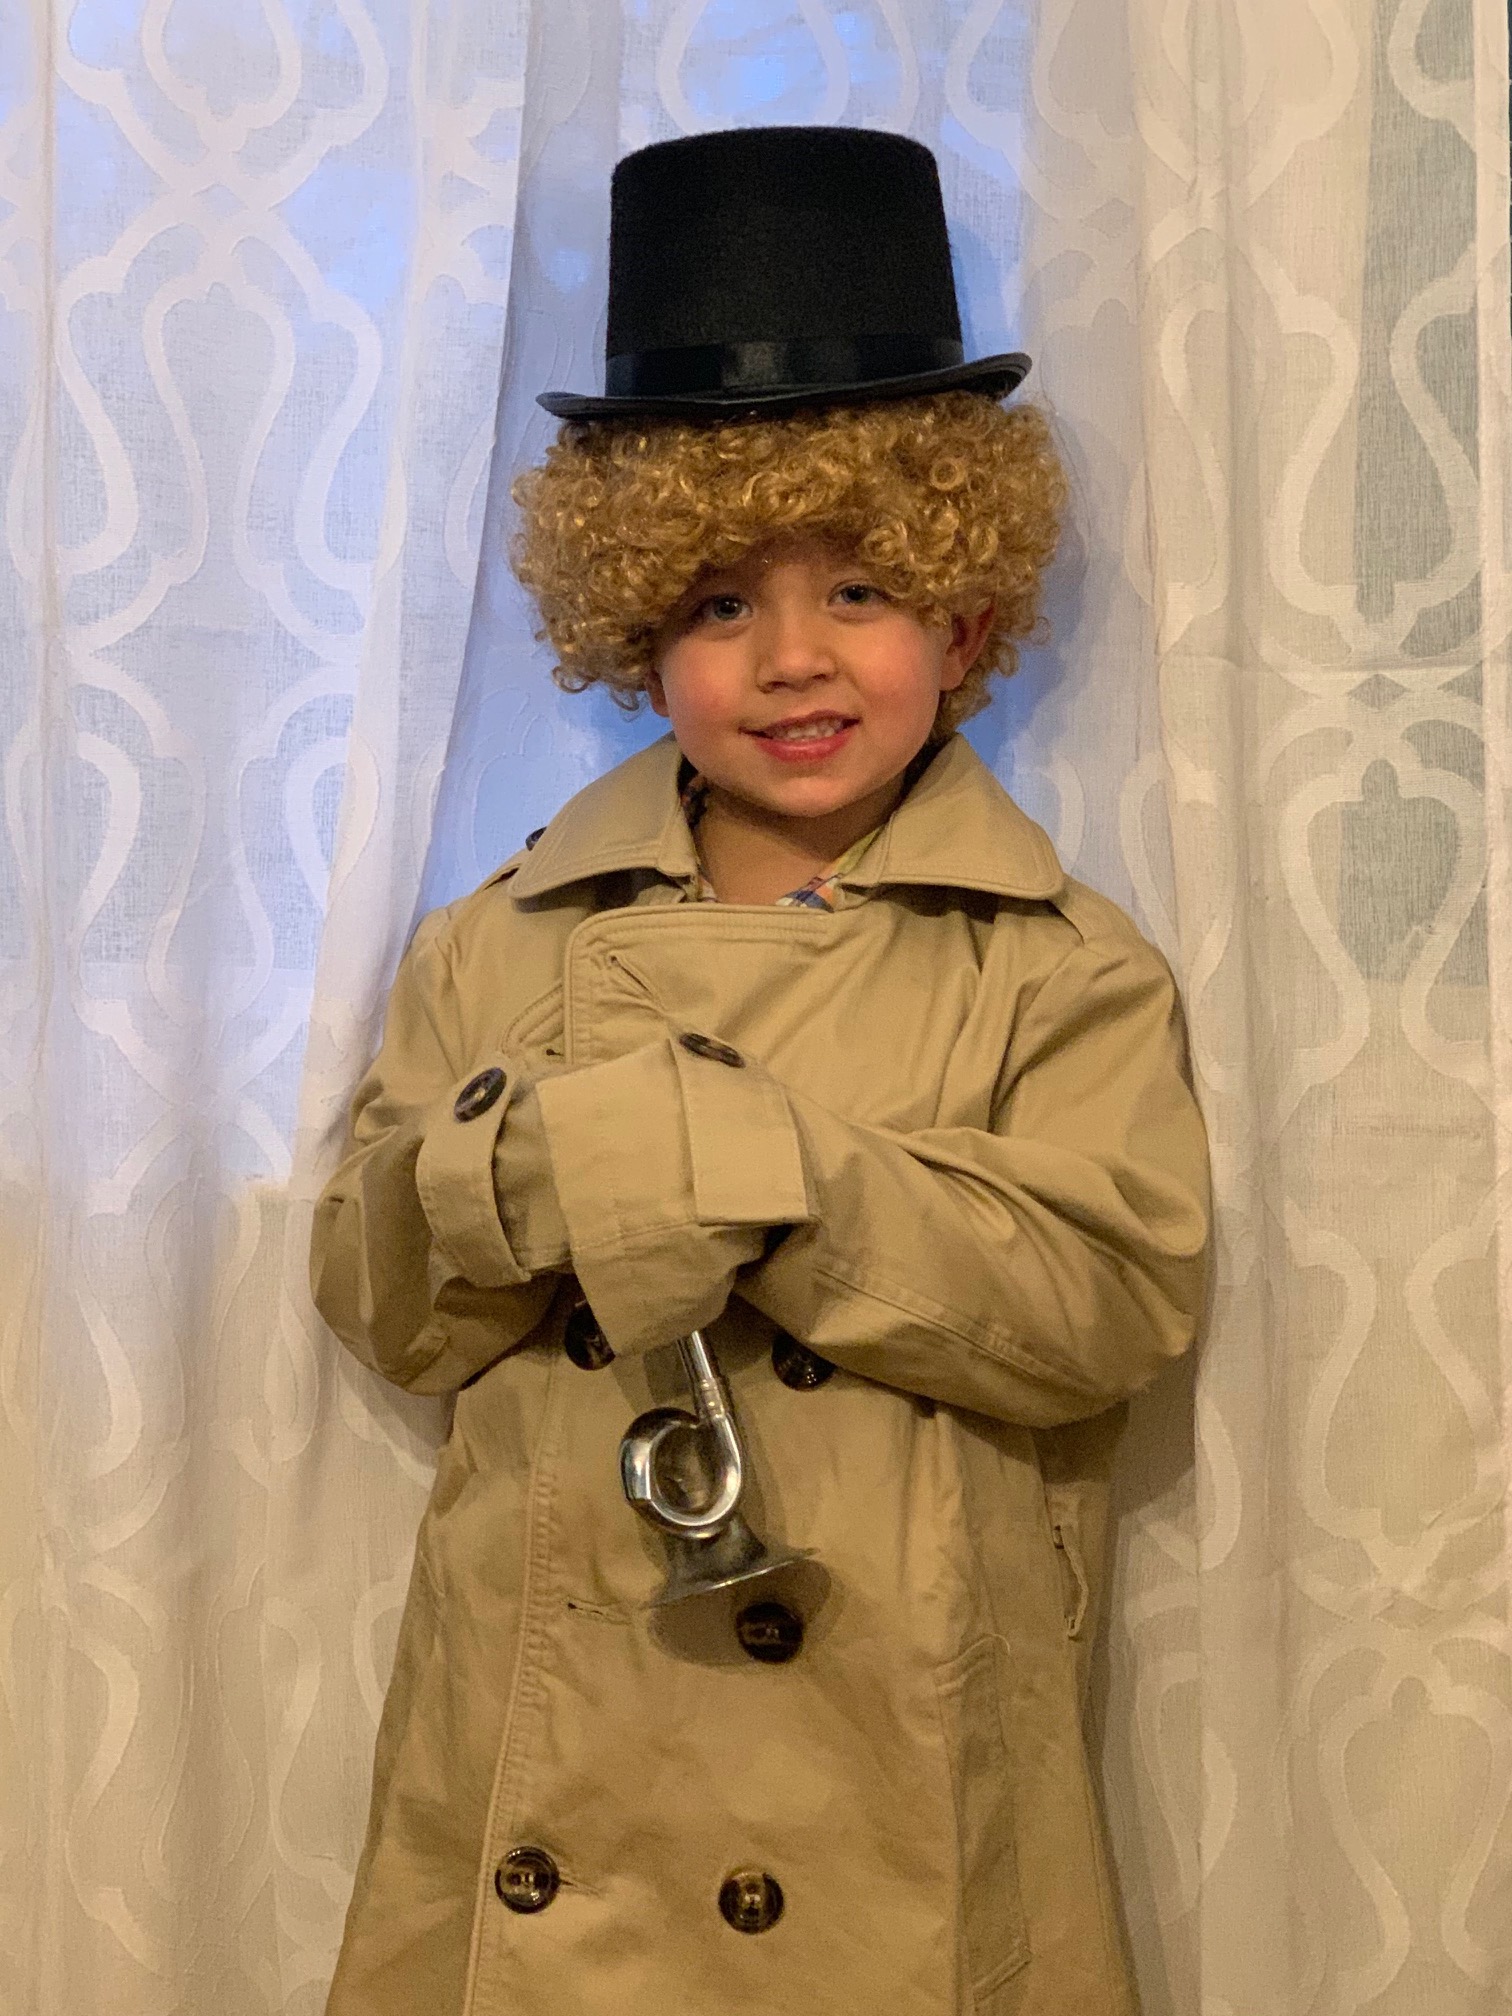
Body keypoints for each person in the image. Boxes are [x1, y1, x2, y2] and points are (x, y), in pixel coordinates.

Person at [310, 125, 1211, 2016]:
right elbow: (381, 1298)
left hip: (894, 1767)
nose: (794, 660)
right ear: (639, 638)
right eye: (722, 602)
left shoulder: (1050, 959)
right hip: (550, 1753)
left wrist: (765, 1169)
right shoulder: (502, 942)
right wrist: (527, 1173)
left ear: (965, 618)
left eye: (863, 592)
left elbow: (1114, 1300)